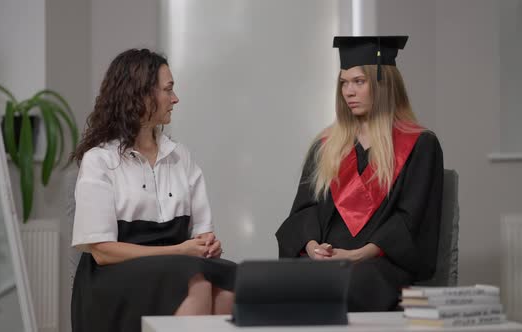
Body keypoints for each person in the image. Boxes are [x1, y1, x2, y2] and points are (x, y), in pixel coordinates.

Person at [69, 49, 236, 332]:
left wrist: (207, 244)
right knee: (193, 280)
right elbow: (102, 252)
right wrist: (180, 251)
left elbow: (202, 232)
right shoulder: (100, 160)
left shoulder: (181, 156)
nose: (175, 99)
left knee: (230, 279)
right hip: (112, 278)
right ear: (142, 95)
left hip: (176, 264)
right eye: (168, 90)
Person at [276, 36, 444, 311]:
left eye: (358, 81)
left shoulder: (419, 144)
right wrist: (312, 248)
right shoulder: (327, 145)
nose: (348, 92)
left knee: (351, 281)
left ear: (383, 84)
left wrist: (358, 254)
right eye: (344, 83)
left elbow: (411, 219)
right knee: (280, 283)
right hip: (326, 258)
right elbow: (304, 210)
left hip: (379, 263)